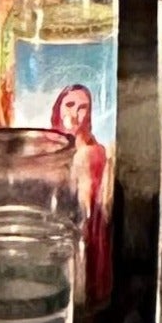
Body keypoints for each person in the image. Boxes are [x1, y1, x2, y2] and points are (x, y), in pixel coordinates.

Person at [50, 83, 115, 303]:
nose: (75, 113)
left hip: (80, 238)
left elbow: (86, 211)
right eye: (70, 104)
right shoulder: (50, 150)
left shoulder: (90, 153)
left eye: (82, 107)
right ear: (59, 108)